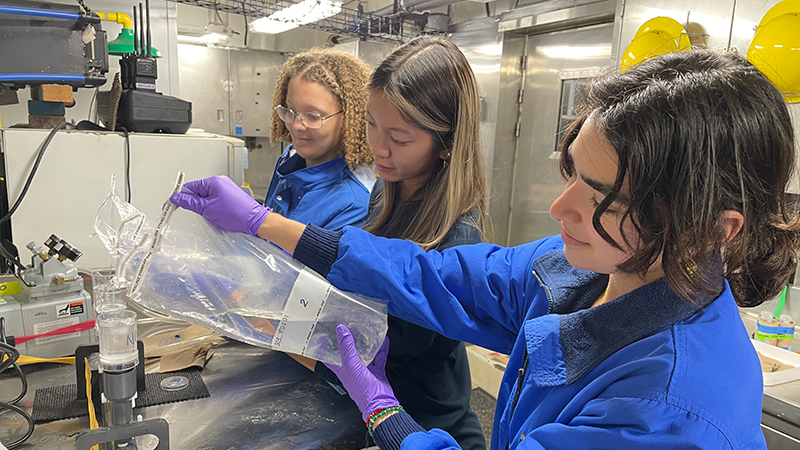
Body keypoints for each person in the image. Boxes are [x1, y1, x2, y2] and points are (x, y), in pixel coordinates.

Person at [170, 49, 798, 449]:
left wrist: (385, 415)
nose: (560, 209)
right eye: (571, 173)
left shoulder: (665, 410)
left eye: (602, 196)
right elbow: (435, 275)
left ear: (712, 229)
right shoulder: (580, 272)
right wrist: (265, 224)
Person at [175, 37, 489, 450]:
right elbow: (350, 265)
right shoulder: (387, 192)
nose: (378, 147)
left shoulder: (456, 236)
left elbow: (376, 349)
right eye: (373, 124)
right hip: (368, 419)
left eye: (400, 137)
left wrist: (261, 318)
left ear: (447, 142)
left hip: (423, 429)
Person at [265, 48, 375, 231]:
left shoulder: (355, 203)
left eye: (313, 116)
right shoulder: (289, 161)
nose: (296, 126)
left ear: (349, 119)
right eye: (290, 111)